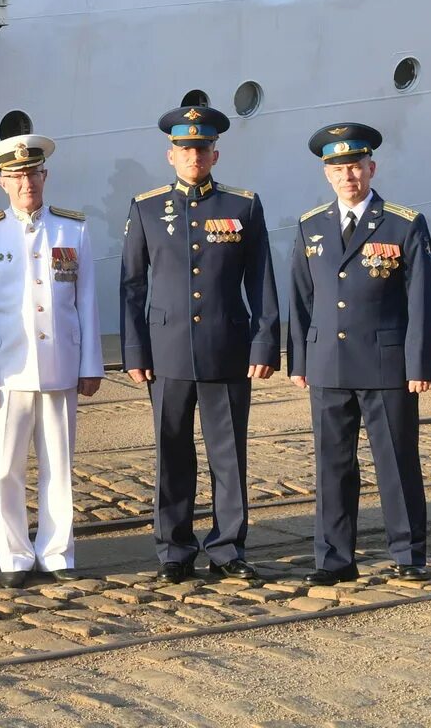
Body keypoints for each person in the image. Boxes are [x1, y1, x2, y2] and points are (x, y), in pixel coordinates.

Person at [119, 106, 279, 584]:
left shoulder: (242, 206)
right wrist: (135, 351)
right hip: (166, 352)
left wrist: (265, 343)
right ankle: (174, 549)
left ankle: (228, 546)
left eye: (202, 149)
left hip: (226, 348)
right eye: (186, 149)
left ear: (215, 153)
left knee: (228, 455)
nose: (195, 156)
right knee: (172, 453)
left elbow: (262, 279)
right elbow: (131, 285)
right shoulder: (147, 207)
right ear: (171, 155)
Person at [288, 123, 431, 585]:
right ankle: (334, 559)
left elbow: (422, 300)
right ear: (326, 175)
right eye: (338, 168)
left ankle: (408, 554)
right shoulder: (311, 225)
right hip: (328, 366)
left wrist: (419, 365)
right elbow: (300, 298)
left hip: (387, 366)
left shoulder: (403, 222)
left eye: (355, 166)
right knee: (332, 466)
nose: (347, 175)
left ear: (371, 168)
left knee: (396, 462)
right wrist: (299, 360)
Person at [0, 136, 103, 587]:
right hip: (8, 372)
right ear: (3, 182)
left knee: (59, 463)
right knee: (7, 468)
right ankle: (15, 555)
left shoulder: (72, 229)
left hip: (61, 363)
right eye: (17, 176)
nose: (27, 182)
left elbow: (86, 301)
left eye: (33, 173)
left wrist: (90, 365)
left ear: (45, 176)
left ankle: (58, 550)